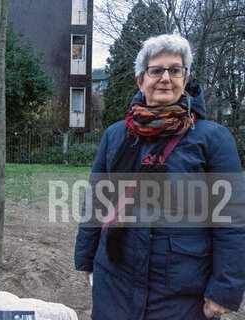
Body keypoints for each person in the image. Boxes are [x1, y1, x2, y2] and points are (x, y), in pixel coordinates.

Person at [74, 34, 245, 319]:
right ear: (140, 80)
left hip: (181, 291)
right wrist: (86, 259)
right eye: (156, 70)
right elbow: (96, 200)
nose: (166, 78)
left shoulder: (213, 139)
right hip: (115, 281)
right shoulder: (116, 135)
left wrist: (224, 289)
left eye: (175, 70)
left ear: (185, 79)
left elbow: (232, 218)